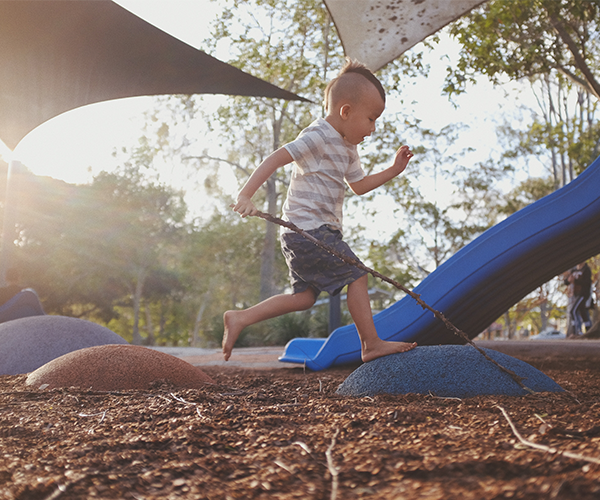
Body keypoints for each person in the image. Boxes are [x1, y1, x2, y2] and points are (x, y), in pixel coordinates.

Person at [223, 58, 417, 363]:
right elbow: (276, 158)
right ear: (346, 111)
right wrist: (246, 194)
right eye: (371, 119)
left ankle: (241, 317)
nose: (373, 128)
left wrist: (394, 169)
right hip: (308, 229)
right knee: (358, 276)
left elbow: (360, 185)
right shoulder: (318, 136)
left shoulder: (348, 149)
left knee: (303, 298)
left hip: (309, 233)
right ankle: (370, 344)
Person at [566, 261, 592, 336]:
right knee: (582, 311)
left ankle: (576, 332)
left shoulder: (586, 269)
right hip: (575, 294)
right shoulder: (574, 270)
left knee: (573, 311)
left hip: (583, 294)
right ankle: (589, 330)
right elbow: (567, 281)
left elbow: (587, 282)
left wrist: (575, 281)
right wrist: (568, 281)